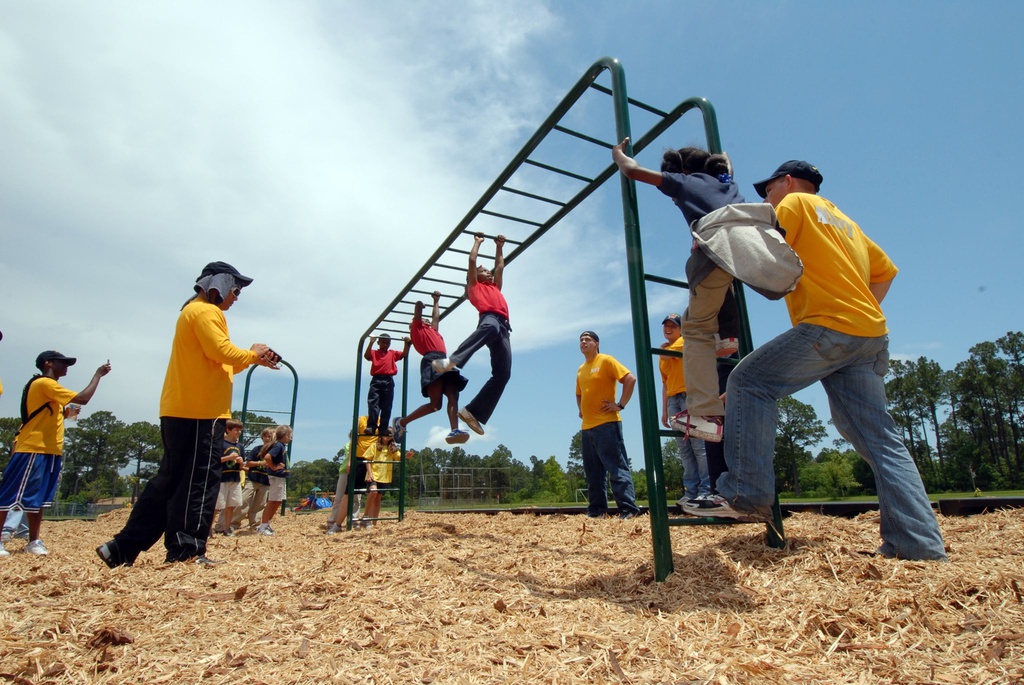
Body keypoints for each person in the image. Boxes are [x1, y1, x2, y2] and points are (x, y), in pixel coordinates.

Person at [685, 161, 948, 561]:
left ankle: (745, 493)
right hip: (870, 334)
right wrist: (857, 313)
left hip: (829, 328)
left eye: (768, 189)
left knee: (750, 382)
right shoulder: (847, 223)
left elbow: (750, 236)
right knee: (880, 439)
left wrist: (708, 243)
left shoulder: (796, 204)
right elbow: (886, 272)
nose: (766, 196)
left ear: (787, 182)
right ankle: (920, 545)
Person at [97, 261, 279, 567]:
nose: (236, 297)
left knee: (169, 484)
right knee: (198, 482)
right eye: (235, 290)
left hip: (181, 409)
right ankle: (187, 549)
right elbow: (222, 352)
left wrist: (250, 359)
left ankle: (121, 548)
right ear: (218, 287)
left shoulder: (192, 312)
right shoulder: (208, 312)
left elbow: (220, 361)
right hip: (201, 412)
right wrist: (252, 353)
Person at [613, 139, 745, 443]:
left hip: (718, 252)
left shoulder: (684, 182)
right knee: (717, 289)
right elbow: (727, 163)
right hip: (749, 252)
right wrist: (722, 158)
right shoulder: (725, 182)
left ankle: (704, 412)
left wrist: (617, 155)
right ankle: (727, 337)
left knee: (694, 329)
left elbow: (632, 171)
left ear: (683, 170)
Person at [0, 351, 111, 557]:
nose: (66, 366)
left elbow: (60, 413)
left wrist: (69, 413)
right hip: (32, 448)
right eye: (63, 363)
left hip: (50, 451)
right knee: (10, 496)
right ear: (48, 363)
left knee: (38, 500)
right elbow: (83, 398)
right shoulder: (44, 383)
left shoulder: (52, 393)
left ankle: (33, 541)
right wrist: (97, 375)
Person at [431, 233, 511, 436]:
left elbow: (500, 265)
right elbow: (472, 261)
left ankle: (472, 412)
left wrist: (499, 246)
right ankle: (452, 360)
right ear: (475, 276)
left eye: (488, 271)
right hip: (489, 320)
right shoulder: (474, 287)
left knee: (503, 374)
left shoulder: (495, 286)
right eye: (484, 271)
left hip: (504, 328)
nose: (490, 273)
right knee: (490, 328)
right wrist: (476, 243)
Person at [575, 331, 641, 519]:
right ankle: (596, 510)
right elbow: (579, 393)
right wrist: (581, 409)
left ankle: (628, 509)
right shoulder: (581, 369)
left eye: (587, 340)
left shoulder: (606, 360)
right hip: (587, 427)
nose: (583, 342)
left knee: (616, 467)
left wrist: (620, 404)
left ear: (597, 343)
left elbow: (630, 379)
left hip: (607, 424)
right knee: (593, 472)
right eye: (581, 340)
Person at [393, 290, 470, 444]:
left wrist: (436, 301)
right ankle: (401, 422)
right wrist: (420, 306)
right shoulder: (417, 329)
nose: (428, 321)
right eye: (424, 321)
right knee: (436, 405)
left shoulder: (432, 330)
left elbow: (436, 318)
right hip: (431, 360)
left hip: (444, 360)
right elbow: (417, 315)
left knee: (453, 395)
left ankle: (454, 430)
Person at [658, 314, 711, 505]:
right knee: (683, 448)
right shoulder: (664, 350)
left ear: (681, 329)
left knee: (698, 445)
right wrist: (664, 410)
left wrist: (662, 348)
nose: (668, 328)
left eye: (673, 325)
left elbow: (666, 355)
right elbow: (665, 382)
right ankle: (691, 490)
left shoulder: (684, 341)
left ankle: (705, 489)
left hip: (689, 395)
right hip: (673, 398)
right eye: (666, 325)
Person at [364, 333, 410, 436]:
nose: (385, 345)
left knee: (387, 406)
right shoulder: (374, 353)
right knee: (373, 404)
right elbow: (366, 356)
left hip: (388, 381)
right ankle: (371, 426)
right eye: (383, 342)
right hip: (376, 380)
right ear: (378, 342)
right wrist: (371, 342)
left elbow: (404, 354)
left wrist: (406, 343)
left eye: (387, 343)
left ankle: (383, 428)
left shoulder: (392, 353)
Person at [230, 426, 274, 531]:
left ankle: (255, 524)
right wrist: (260, 463)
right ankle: (234, 523)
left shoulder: (274, 451)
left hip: (266, 481)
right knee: (244, 500)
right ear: (262, 437)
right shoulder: (257, 449)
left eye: (270, 436)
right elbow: (248, 463)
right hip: (253, 479)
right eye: (265, 436)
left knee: (260, 504)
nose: (267, 438)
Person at [360, 429, 403, 527]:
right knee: (373, 492)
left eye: (390, 434)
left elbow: (399, 457)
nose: (387, 436)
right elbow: (367, 460)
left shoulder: (392, 448)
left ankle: (374, 522)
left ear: (392, 437)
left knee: (378, 498)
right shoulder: (375, 446)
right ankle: (366, 516)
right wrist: (370, 473)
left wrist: (407, 455)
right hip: (373, 475)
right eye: (385, 433)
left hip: (384, 476)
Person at [256, 425, 293, 536]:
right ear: (286, 435)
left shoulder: (280, 446)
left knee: (278, 500)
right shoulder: (279, 446)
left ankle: (267, 524)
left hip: (280, 477)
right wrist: (273, 467)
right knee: (272, 501)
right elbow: (267, 457)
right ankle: (263, 526)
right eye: (290, 436)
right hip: (276, 477)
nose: (290, 438)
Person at [211, 419, 244, 536]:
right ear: (228, 430)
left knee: (231, 505)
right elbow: (214, 461)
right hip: (222, 479)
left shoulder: (240, 446)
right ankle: (208, 529)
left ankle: (227, 527)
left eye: (240, 430)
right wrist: (228, 458)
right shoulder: (220, 444)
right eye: (236, 430)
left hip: (235, 479)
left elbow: (242, 466)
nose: (238, 432)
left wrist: (241, 463)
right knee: (216, 506)